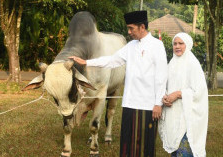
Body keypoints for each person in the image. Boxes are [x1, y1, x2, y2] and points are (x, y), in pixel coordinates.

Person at [69, 10, 168, 157]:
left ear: (142, 27)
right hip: (129, 103)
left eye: (131, 28)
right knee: (128, 142)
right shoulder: (131, 46)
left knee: (144, 145)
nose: (129, 32)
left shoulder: (156, 46)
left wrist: (158, 103)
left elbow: (162, 76)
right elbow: (111, 60)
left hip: (148, 104)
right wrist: (87, 62)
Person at [158, 32, 208, 157]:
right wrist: (165, 96)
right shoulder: (172, 63)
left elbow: (199, 91)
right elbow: (166, 84)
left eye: (181, 43)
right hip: (173, 112)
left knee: (185, 150)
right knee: (175, 149)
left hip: (187, 115)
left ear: (188, 45)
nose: (177, 46)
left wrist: (179, 94)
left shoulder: (193, 64)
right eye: (175, 44)